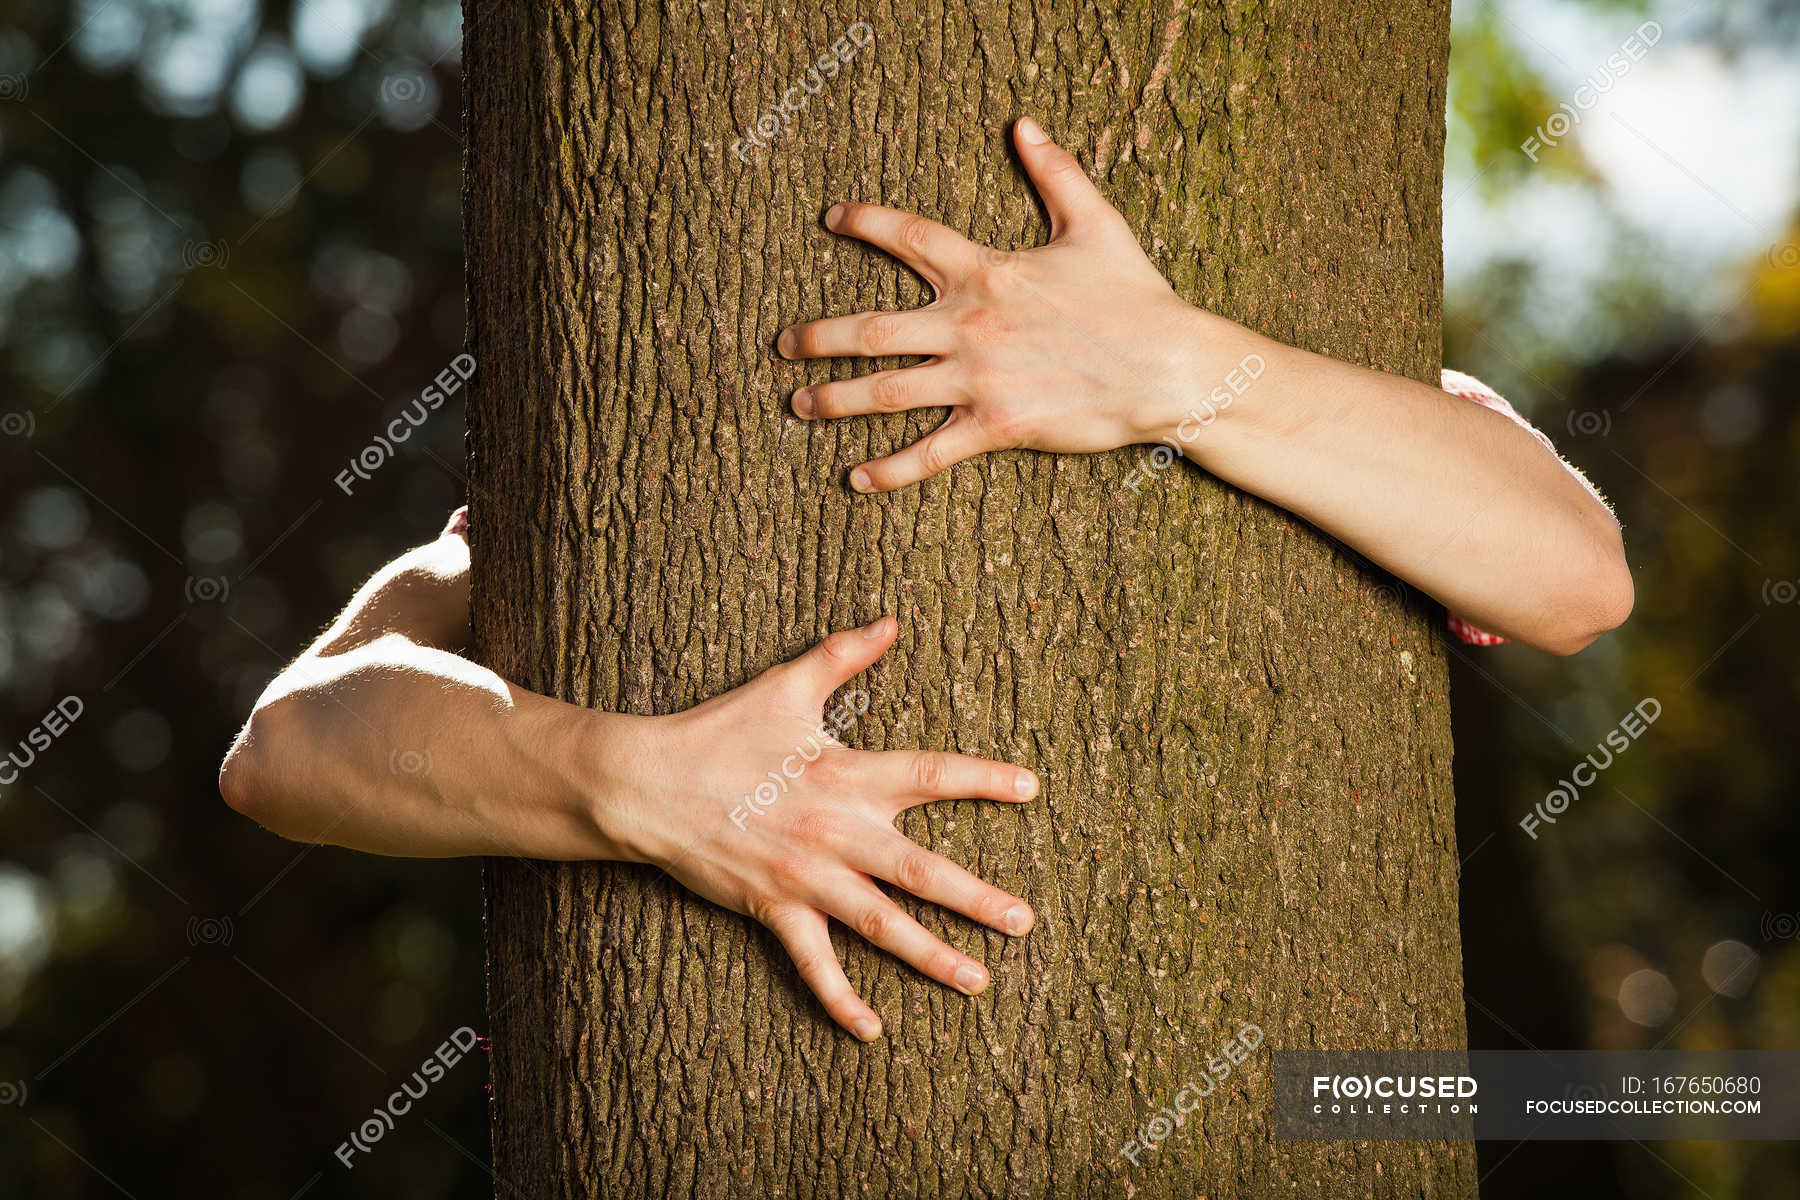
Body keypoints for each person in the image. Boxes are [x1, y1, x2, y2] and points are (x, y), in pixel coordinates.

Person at [220, 117, 1630, 1043]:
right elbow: (288, 748)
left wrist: (1169, 373)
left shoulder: (1367, 399)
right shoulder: (557, 500)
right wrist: (628, 783)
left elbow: (1573, 578)